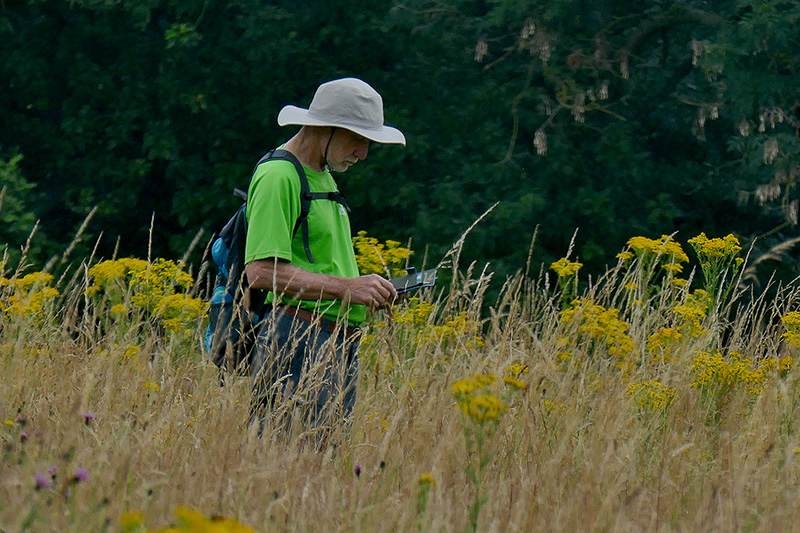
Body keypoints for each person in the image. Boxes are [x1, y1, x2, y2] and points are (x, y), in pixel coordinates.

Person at [244, 78, 405, 440]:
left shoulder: (322, 175)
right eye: (359, 139)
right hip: (295, 338)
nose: (363, 153)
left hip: (334, 343)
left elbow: (322, 265)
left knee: (321, 472)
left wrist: (368, 291)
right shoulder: (278, 176)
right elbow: (260, 272)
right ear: (326, 129)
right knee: (287, 465)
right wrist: (346, 288)